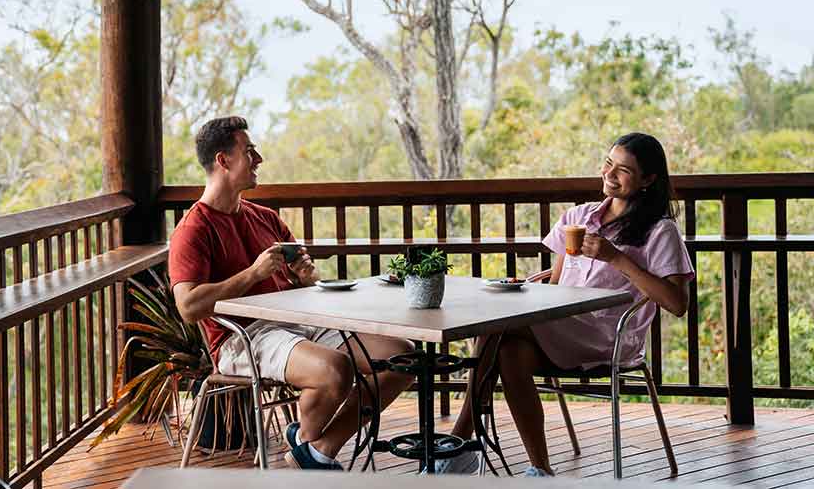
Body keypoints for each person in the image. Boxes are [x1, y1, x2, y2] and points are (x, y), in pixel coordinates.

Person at [438, 132, 694, 477]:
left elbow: (677, 303)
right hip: (564, 326)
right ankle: (539, 470)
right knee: (508, 349)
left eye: (624, 170)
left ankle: (460, 444)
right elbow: (556, 285)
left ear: (649, 179)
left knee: (497, 327)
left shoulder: (660, 231)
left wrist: (615, 258)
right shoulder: (579, 217)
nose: (610, 174)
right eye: (608, 164)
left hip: (611, 336)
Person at [169, 116, 415, 471]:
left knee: (402, 357)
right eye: (249, 151)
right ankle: (310, 447)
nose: (259, 159)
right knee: (334, 371)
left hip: (300, 324)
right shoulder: (193, 229)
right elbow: (189, 306)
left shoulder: (265, 218)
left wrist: (306, 277)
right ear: (223, 161)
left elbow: (306, 285)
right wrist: (253, 274)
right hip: (243, 337)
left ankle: (316, 448)